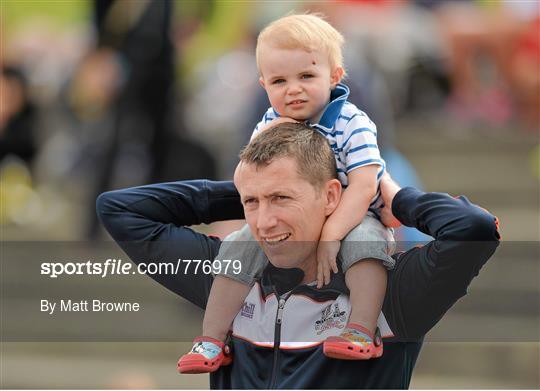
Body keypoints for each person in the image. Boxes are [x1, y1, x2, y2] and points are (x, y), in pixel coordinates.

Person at [97, 122, 500, 389]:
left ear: (330, 195)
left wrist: (388, 195)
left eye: (281, 198)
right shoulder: (232, 278)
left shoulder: (391, 290)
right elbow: (120, 210)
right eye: (251, 203)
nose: (264, 222)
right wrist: (250, 190)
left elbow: (474, 229)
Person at [179, 13, 401, 373]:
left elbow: (364, 184)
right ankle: (212, 338)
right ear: (263, 84)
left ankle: (360, 329)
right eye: (280, 81)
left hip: (351, 213)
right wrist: (270, 136)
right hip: (291, 218)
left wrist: (332, 234)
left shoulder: (351, 121)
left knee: (366, 242)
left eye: (306, 77)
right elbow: (245, 177)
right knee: (238, 244)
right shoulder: (269, 122)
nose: (293, 89)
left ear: (334, 76)